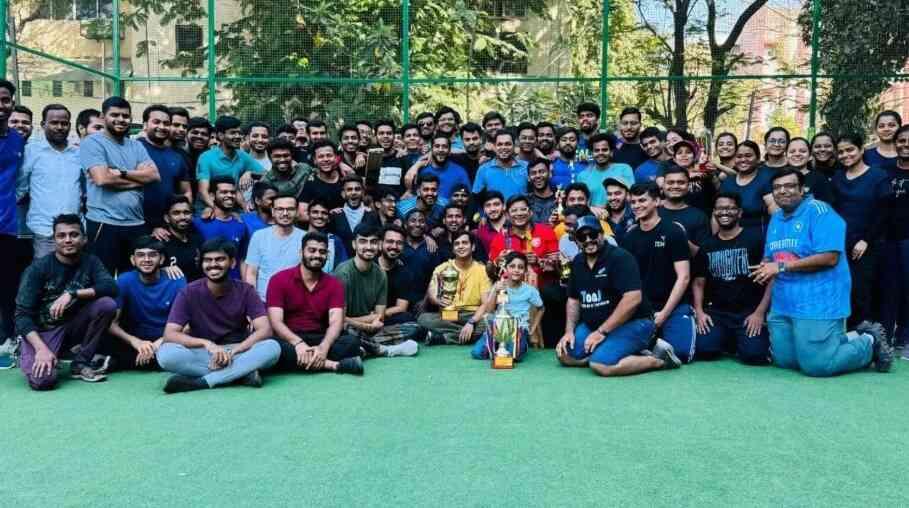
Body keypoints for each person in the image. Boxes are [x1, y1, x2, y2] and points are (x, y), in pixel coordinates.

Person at [751, 168, 893, 376]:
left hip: (818, 300)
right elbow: (771, 256)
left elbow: (829, 258)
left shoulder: (820, 212)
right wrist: (765, 264)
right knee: (786, 361)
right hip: (784, 302)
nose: (782, 191)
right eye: (777, 188)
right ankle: (848, 337)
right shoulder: (776, 218)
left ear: (802, 189)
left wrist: (780, 266)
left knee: (817, 365)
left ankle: (869, 342)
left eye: (789, 186)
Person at [555, 215, 680, 376]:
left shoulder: (620, 258)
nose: (588, 240)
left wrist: (601, 332)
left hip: (634, 323)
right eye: (582, 237)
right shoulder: (578, 262)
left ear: (602, 234)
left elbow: (633, 298)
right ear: (576, 240)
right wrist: (569, 331)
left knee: (601, 365)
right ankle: (616, 352)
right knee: (564, 355)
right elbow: (573, 299)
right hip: (594, 325)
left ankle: (658, 359)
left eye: (592, 235)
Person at [156, 238, 281, 393]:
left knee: (272, 347)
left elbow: (265, 330)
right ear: (201, 264)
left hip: (238, 351)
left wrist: (234, 352)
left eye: (220, 259)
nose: (213, 264)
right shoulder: (188, 292)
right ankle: (240, 374)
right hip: (204, 353)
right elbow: (170, 334)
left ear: (232, 263)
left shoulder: (246, 290)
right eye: (208, 260)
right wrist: (207, 344)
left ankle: (202, 382)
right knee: (165, 354)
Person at [15, 214, 117, 389]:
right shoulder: (38, 269)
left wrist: (73, 294)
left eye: (74, 235)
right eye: (61, 236)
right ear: (54, 240)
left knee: (107, 304)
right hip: (43, 332)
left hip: (72, 326)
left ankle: (80, 363)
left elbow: (111, 287)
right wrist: (40, 349)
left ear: (84, 239)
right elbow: (21, 316)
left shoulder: (91, 261)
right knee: (43, 381)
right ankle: (27, 350)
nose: (68, 240)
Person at [81, 96, 160, 276]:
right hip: (104, 223)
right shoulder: (93, 142)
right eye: (114, 115)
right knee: (102, 278)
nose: (121, 119)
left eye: (125, 116)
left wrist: (121, 173)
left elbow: (154, 176)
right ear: (103, 117)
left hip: (136, 223)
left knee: (135, 277)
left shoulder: (136, 146)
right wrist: (138, 182)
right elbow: (102, 179)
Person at [267, 232, 364, 375]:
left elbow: (336, 322)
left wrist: (324, 347)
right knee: (271, 347)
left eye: (322, 252)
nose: (317, 255)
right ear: (301, 253)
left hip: (320, 336)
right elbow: (276, 322)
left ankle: (303, 361)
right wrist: (298, 344)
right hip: (289, 338)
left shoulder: (334, 284)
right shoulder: (278, 279)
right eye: (312, 250)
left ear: (327, 255)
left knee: (352, 342)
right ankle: (333, 365)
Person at [692, 193, 771, 365]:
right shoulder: (707, 245)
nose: (724, 212)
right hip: (718, 313)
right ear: (714, 212)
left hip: (748, 312)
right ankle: (731, 340)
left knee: (754, 356)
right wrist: (699, 312)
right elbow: (698, 283)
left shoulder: (756, 239)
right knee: (704, 350)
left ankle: (741, 341)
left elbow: (771, 279)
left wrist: (760, 313)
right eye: (720, 209)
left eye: (730, 208)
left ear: (740, 212)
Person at [623, 182, 695, 363]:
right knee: (624, 348)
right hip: (643, 309)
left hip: (674, 306)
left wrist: (664, 314)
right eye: (633, 202)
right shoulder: (630, 237)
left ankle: (654, 345)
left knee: (681, 353)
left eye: (642, 200)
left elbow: (684, 277)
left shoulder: (673, 231)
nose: (637, 206)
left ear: (656, 201)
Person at [333, 223, 420, 357]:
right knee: (343, 331)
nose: (368, 247)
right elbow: (339, 320)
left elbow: (380, 316)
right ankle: (384, 349)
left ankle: (363, 348)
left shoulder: (380, 274)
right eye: (363, 241)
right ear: (354, 245)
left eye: (373, 242)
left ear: (379, 245)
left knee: (413, 327)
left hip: (369, 329)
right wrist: (369, 323)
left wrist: (371, 321)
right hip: (348, 328)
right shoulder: (343, 273)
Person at [830, 132, 890, 327]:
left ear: (861, 150)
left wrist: (866, 240)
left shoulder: (878, 175)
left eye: (850, 150)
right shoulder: (838, 177)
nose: (845, 155)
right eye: (841, 152)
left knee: (862, 293)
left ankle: (866, 337)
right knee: (842, 291)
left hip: (867, 245)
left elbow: (883, 212)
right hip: (841, 244)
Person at [106, 236, 186, 370]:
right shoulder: (124, 280)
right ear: (133, 260)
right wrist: (135, 342)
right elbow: (112, 323)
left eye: (152, 255)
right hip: (135, 339)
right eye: (141, 255)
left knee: (181, 349)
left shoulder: (176, 280)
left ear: (161, 259)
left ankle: (133, 361)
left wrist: (158, 344)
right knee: (107, 342)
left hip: (167, 339)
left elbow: (186, 323)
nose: (147, 259)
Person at [21, 104, 81, 260]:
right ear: (43, 125)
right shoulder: (31, 151)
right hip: (44, 231)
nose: (60, 127)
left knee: (75, 274)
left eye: (64, 123)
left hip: (75, 231)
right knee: (46, 274)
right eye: (54, 123)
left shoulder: (78, 153)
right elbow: (20, 187)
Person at [418, 231, 492, 345]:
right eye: (457, 244)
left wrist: (471, 322)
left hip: (473, 314)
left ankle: (444, 338)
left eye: (464, 243)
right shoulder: (442, 268)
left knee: (491, 320)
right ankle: (465, 335)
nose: (460, 246)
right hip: (449, 315)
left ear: (473, 247)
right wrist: (437, 300)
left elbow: (485, 303)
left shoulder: (482, 270)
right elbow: (432, 291)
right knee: (423, 319)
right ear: (453, 249)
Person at [467, 252, 543, 361]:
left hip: (518, 328)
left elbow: (541, 308)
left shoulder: (530, 290)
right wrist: (495, 291)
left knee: (514, 356)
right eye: (512, 266)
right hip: (498, 327)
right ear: (506, 268)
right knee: (477, 353)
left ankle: (520, 346)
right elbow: (489, 311)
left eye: (520, 267)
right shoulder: (499, 285)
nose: (516, 270)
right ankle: (500, 345)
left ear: (525, 270)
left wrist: (532, 329)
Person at [138, 105, 192, 235]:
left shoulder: (177, 157)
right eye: (156, 122)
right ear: (145, 125)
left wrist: (181, 218)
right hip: (136, 223)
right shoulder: (134, 147)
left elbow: (186, 191)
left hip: (167, 227)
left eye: (166, 123)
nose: (162, 127)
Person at [488, 195, 560, 288]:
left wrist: (539, 261)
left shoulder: (546, 231)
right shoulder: (500, 238)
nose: (519, 213)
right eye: (514, 210)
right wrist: (497, 262)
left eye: (523, 209)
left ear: (530, 212)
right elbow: (490, 273)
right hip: (511, 292)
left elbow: (558, 268)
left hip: (543, 290)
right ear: (507, 215)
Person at [244, 193, 305, 301]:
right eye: (280, 209)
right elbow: (251, 273)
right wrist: (253, 302)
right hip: (263, 301)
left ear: (296, 211)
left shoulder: (305, 238)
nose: (285, 213)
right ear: (273, 211)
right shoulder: (259, 236)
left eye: (290, 209)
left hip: (295, 302)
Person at [196, 116, 263, 213]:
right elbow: (203, 192)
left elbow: (266, 174)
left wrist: (250, 173)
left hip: (232, 205)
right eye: (233, 133)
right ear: (221, 135)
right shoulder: (206, 157)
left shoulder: (242, 155)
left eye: (239, 133)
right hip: (207, 206)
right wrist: (219, 211)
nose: (238, 136)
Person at [881, 124, 909, 350]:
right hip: (887, 238)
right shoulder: (884, 170)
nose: (905, 145)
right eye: (902, 141)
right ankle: (886, 333)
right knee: (889, 286)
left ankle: (905, 337)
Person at [192, 176, 249, 279]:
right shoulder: (199, 223)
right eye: (224, 192)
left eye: (232, 192)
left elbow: (242, 259)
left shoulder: (240, 225)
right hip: (206, 283)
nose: (229, 195)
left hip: (233, 283)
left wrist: (244, 284)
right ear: (212, 196)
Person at [720, 141, 775, 231]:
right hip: (730, 235)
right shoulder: (728, 182)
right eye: (739, 156)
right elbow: (718, 213)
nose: (743, 159)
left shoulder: (766, 179)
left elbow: (775, 213)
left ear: (758, 158)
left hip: (759, 235)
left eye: (748, 156)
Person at [659, 166, 711, 255]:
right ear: (663, 185)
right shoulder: (652, 213)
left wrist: (680, 237)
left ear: (688, 185)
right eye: (670, 182)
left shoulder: (699, 217)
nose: (675, 186)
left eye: (681, 182)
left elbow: (704, 255)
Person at [400, 208, 446, 306]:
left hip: (424, 301)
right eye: (413, 220)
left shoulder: (432, 248)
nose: (417, 224)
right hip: (399, 301)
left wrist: (425, 301)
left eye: (421, 221)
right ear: (405, 225)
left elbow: (436, 278)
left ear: (425, 226)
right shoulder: (398, 246)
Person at [576, 133, 635, 206]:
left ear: (611, 152)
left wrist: (606, 209)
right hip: (592, 213)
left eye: (604, 150)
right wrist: (593, 209)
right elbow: (580, 203)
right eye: (596, 150)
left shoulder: (624, 169)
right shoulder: (583, 176)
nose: (600, 153)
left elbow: (631, 196)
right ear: (592, 153)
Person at [405, 133, 470, 199]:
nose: (440, 150)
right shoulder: (421, 170)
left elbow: (468, 196)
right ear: (431, 150)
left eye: (444, 146)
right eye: (437, 146)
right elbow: (412, 195)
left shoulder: (460, 172)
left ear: (449, 151)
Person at [472, 130, 529, 201]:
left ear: (514, 146)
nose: (503, 147)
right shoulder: (483, 169)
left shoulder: (526, 167)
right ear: (494, 147)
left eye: (508, 144)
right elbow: (476, 197)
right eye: (500, 144)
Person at [330, 175, 380, 253]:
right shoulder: (335, 215)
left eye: (357, 189)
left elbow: (377, 240)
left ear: (363, 192)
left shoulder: (372, 215)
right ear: (343, 194)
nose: (353, 192)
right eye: (349, 189)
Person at [159, 195, 204, 281]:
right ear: (167, 218)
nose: (182, 217)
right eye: (176, 213)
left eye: (186, 212)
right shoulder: (160, 242)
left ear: (192, 216)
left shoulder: (197, 238)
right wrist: (162, 270)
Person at [298, 139, 344, 220]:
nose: (325, 159)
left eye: (329, 155)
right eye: (321, 156)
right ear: (315, 160)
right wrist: (327, 216)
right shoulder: (310, 183)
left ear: (336, 157)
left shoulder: (345, 175)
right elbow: (302, 215)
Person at [785, 137, 834, 204]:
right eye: (792, 151)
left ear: (810, 156)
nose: (797, 154)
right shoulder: (779, 177)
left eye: (803, 151)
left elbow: (826, 205)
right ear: (786, 155)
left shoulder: (819, 178)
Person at [603, 178, 636, 245]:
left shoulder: (636, 214)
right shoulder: (601, 217)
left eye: (617, 193)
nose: (613, 198)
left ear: (627, 195)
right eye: (609, 194)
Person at [527, 157, 558, 224]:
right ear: (528, 178)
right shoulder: (526, 202)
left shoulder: (560, 199)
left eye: (541, 172)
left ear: (550, 174)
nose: (538, 176)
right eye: (533, 173)